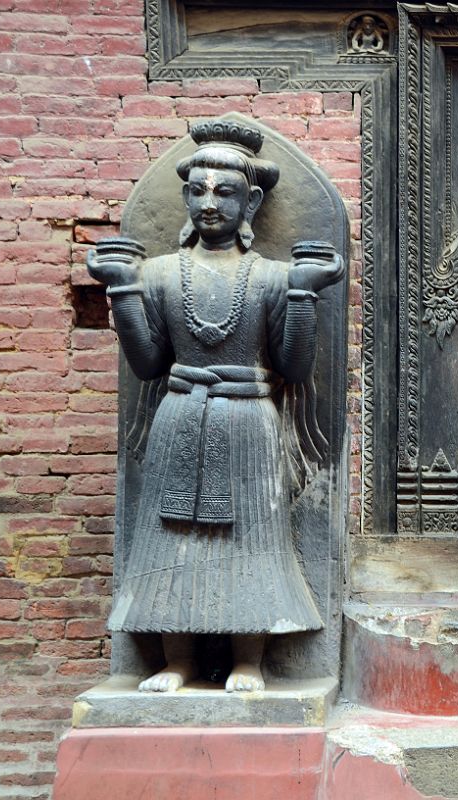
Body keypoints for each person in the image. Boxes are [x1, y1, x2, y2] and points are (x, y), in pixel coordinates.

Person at [87, 120, 345, 692]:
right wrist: (123, 290)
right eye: (198, 190)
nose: (209, 202)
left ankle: (248, 661)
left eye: (224, 192)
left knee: (251, 540)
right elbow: (149, 363)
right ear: (184, 197)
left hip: (249, 419)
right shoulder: (157, 274)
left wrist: (303, 292)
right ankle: (176, 660)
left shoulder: (273, 277)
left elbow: (294, 367)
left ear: (250, 201)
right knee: (171, 539)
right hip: (180, 415)